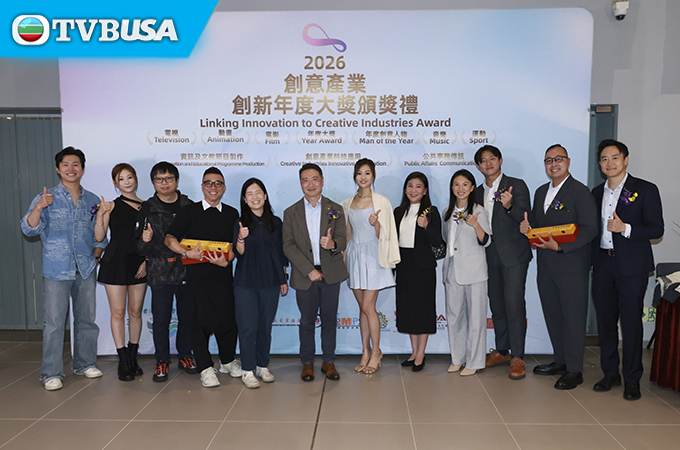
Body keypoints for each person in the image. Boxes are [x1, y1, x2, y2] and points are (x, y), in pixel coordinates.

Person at [21, 147, 106, 391]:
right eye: (66, 164)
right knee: (55, 323)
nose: (71, 169)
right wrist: (39, 207)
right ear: (58, 169)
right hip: (57, 269)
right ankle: (51, 373)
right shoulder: (46, 197)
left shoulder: (92, 200)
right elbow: (28, 228)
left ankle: (85, 363)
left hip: (86, 267)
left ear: (83, 169)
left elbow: (100, 235)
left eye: (76, 164)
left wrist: (96, 255)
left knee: (86, 319)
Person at [520, 144, 598, 390]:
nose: (553, 164)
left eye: (558, 159)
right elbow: (537, 224)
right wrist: (527, 228)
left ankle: (575, 370)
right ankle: (561, 361)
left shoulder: (580, 191)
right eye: (549, 160)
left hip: (571, 264)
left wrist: (561, 247)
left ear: (568, 161)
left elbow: (590, 229)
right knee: (554, 316)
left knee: (573, 318)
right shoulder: (541, 192)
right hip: (546, 265)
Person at [591, 139, 664, 400]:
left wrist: (626, 229)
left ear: (626, 159)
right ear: (600, 164)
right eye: (604, 159)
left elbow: (657, 228)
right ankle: (610, 373)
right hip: (603, 264)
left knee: (631, 323)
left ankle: (632, 379)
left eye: (614, 157)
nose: (609, 163)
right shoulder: (596, 192)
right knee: (605, 323)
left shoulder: (644, 189)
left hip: (632, 266)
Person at [164, 167, 242, 388]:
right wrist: (185, 253)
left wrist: (227, 261)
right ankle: (206, 368)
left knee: (228, 321)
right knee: (199, 324)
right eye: (208, 183)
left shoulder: (232, 213)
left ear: (224, 187)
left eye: (218, 183)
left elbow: (234, 246)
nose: (213, 187)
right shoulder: (189, 212)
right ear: (202, 187)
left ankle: (227, 361)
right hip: (196, 279)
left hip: (223, 276)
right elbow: (169, 238)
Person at [282, 163, 349, 382]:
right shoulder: (291, 212)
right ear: (300, 183)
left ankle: (328, 361)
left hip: (331, 274)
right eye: (305, 180)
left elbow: (342, 238)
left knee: (329, 320)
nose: (310, 184)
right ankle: (307, 363)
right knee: (307, 322)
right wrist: (309, 270)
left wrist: (333, 244)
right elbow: (288, 246)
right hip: (305, 276)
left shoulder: (335, 208)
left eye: (314, 179)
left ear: (322, 181)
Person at [474, 145, 533, 380]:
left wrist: (509, 206)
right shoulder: (476, 192)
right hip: (487, 254)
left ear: (500, 160)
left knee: (514, 304)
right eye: (483, 161)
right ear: (478, 166)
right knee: (497, 304)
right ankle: (502, 351)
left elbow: (526, 217)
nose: (488, 163)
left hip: (514, 254)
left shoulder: (516, 185)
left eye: (492, 159)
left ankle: (518, 356)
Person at [135, 162, 196, 382]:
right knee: (161, 319)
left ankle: (185, 355)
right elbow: (138, 248)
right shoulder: (147, 208)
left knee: (187, 317)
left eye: (169, 178)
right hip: (159, 272)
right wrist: (145, 240)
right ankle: (161, 360)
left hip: (187, 269)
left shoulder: (189, 206)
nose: (164, 183)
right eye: (159, 179)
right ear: (153, 182)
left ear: (176, 181)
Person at [340, 159, 400, 374]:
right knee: (363, 309)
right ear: (354, 176)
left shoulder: (382, 201)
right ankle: (365, 351)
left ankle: (376, 352)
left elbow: (388, 235)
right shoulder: (347, 202)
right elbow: (347, 234)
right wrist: (344, 260)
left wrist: (377, 224)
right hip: (354, 256)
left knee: (368, 307)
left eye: (367, 173)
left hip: (374, 256)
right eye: (359, 173)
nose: (363, 177)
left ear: (373, 175)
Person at [233, 178, 289, 389]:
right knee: (248, 328)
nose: (254, 197)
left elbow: (281, 253)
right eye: (250, 194)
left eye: (258, 192)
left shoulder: (276, 222)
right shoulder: (240, 223)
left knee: (265, 327)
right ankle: (247, 370)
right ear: (244, 199)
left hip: (271, 281)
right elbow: (239, 252)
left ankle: (262, 365)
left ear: (265, 196)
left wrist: (283, 278)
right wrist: (240, 238)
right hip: (245, 283)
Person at [95, 163, 147, 382]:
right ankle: (123, 360)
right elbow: (99, 236)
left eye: (129, 177)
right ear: (115, 183)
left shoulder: (147, 206)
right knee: (117, 313)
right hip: (115, 261)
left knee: (135, 312)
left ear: (136, 178)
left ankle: (133, 356)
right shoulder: (111, 206)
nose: (126, 182)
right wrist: (101, 214)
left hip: (139, 262)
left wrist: (146, 261)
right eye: (121, 179)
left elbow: (152, 238)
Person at [394, 172, 445, 372]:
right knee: (408, 310)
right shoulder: (399, 211)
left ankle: (421, 354)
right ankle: (413, 352)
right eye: (410, 186)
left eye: (418, 186)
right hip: (403, 265)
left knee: (422, 310)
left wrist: (426, 227)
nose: (413, 190)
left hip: (423, 268)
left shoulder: (431, 212)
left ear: (425, 191)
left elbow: (438, 242)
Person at [443, 170, 491, 377]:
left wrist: (476, 225)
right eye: (456, 184)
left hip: (474, 271)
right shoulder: (447, 212)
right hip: (452, 269)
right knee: (454, 317)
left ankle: (475, 361)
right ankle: (458, 358)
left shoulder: (479, 210)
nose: (460, 188)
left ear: (472, 188)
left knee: (476, 318)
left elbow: (486, 240)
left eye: (465, 184)